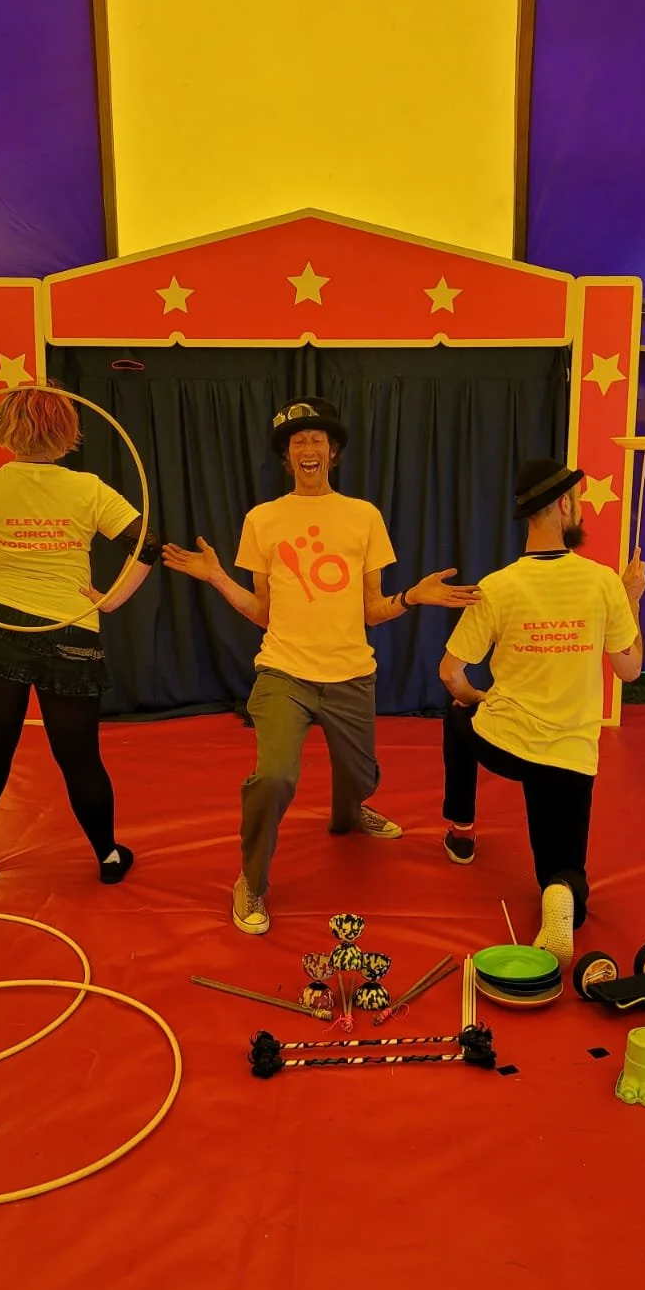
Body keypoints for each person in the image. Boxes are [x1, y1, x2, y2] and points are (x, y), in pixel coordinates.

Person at [163, 396, 480, 935]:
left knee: (361, 776)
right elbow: (262, 611)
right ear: (287, 456)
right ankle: (251, 881)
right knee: (275, 776)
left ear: (332, 452)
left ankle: (350, 812)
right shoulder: (263, 519)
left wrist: (413, 598)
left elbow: (372, 609)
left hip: (352, 674)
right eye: (297, 442)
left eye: (317, 441)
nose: (308, 449)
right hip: (283, 672)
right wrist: (218, 577)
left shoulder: (363, 516)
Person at [0, 385, 159, 886]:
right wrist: (111, 599)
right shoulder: (88, 488)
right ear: (66, 433)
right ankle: (107, 855)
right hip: (69, 629)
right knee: (79, 753)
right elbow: (147, 543)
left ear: (6, 432)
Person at [438, 457, 645, 967]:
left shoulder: (498, 585)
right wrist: (632, 598)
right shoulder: (603, 584)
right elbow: (630, 670)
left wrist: (474, 698)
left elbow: (450, 672)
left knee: (457, 718)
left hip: (504, 743)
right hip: (570, 757)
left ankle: (461, 830)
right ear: (562, 506)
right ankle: (559, 894)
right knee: (564, 870)